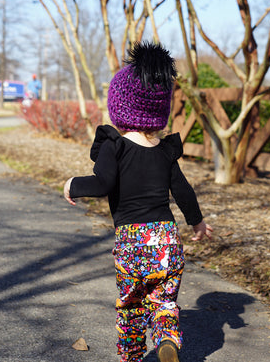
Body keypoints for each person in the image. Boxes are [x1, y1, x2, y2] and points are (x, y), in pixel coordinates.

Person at [64, 41, 213, 362]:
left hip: (132, 243)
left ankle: (132, 356)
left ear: (119, 106)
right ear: (158, 108)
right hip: (167, 242)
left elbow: (102, 184)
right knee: (164, 304)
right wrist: (198, 222)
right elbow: (184, 191)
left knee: (130, 308)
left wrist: (72, 184)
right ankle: (167, 340)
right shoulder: (165, 151)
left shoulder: (113, 146)